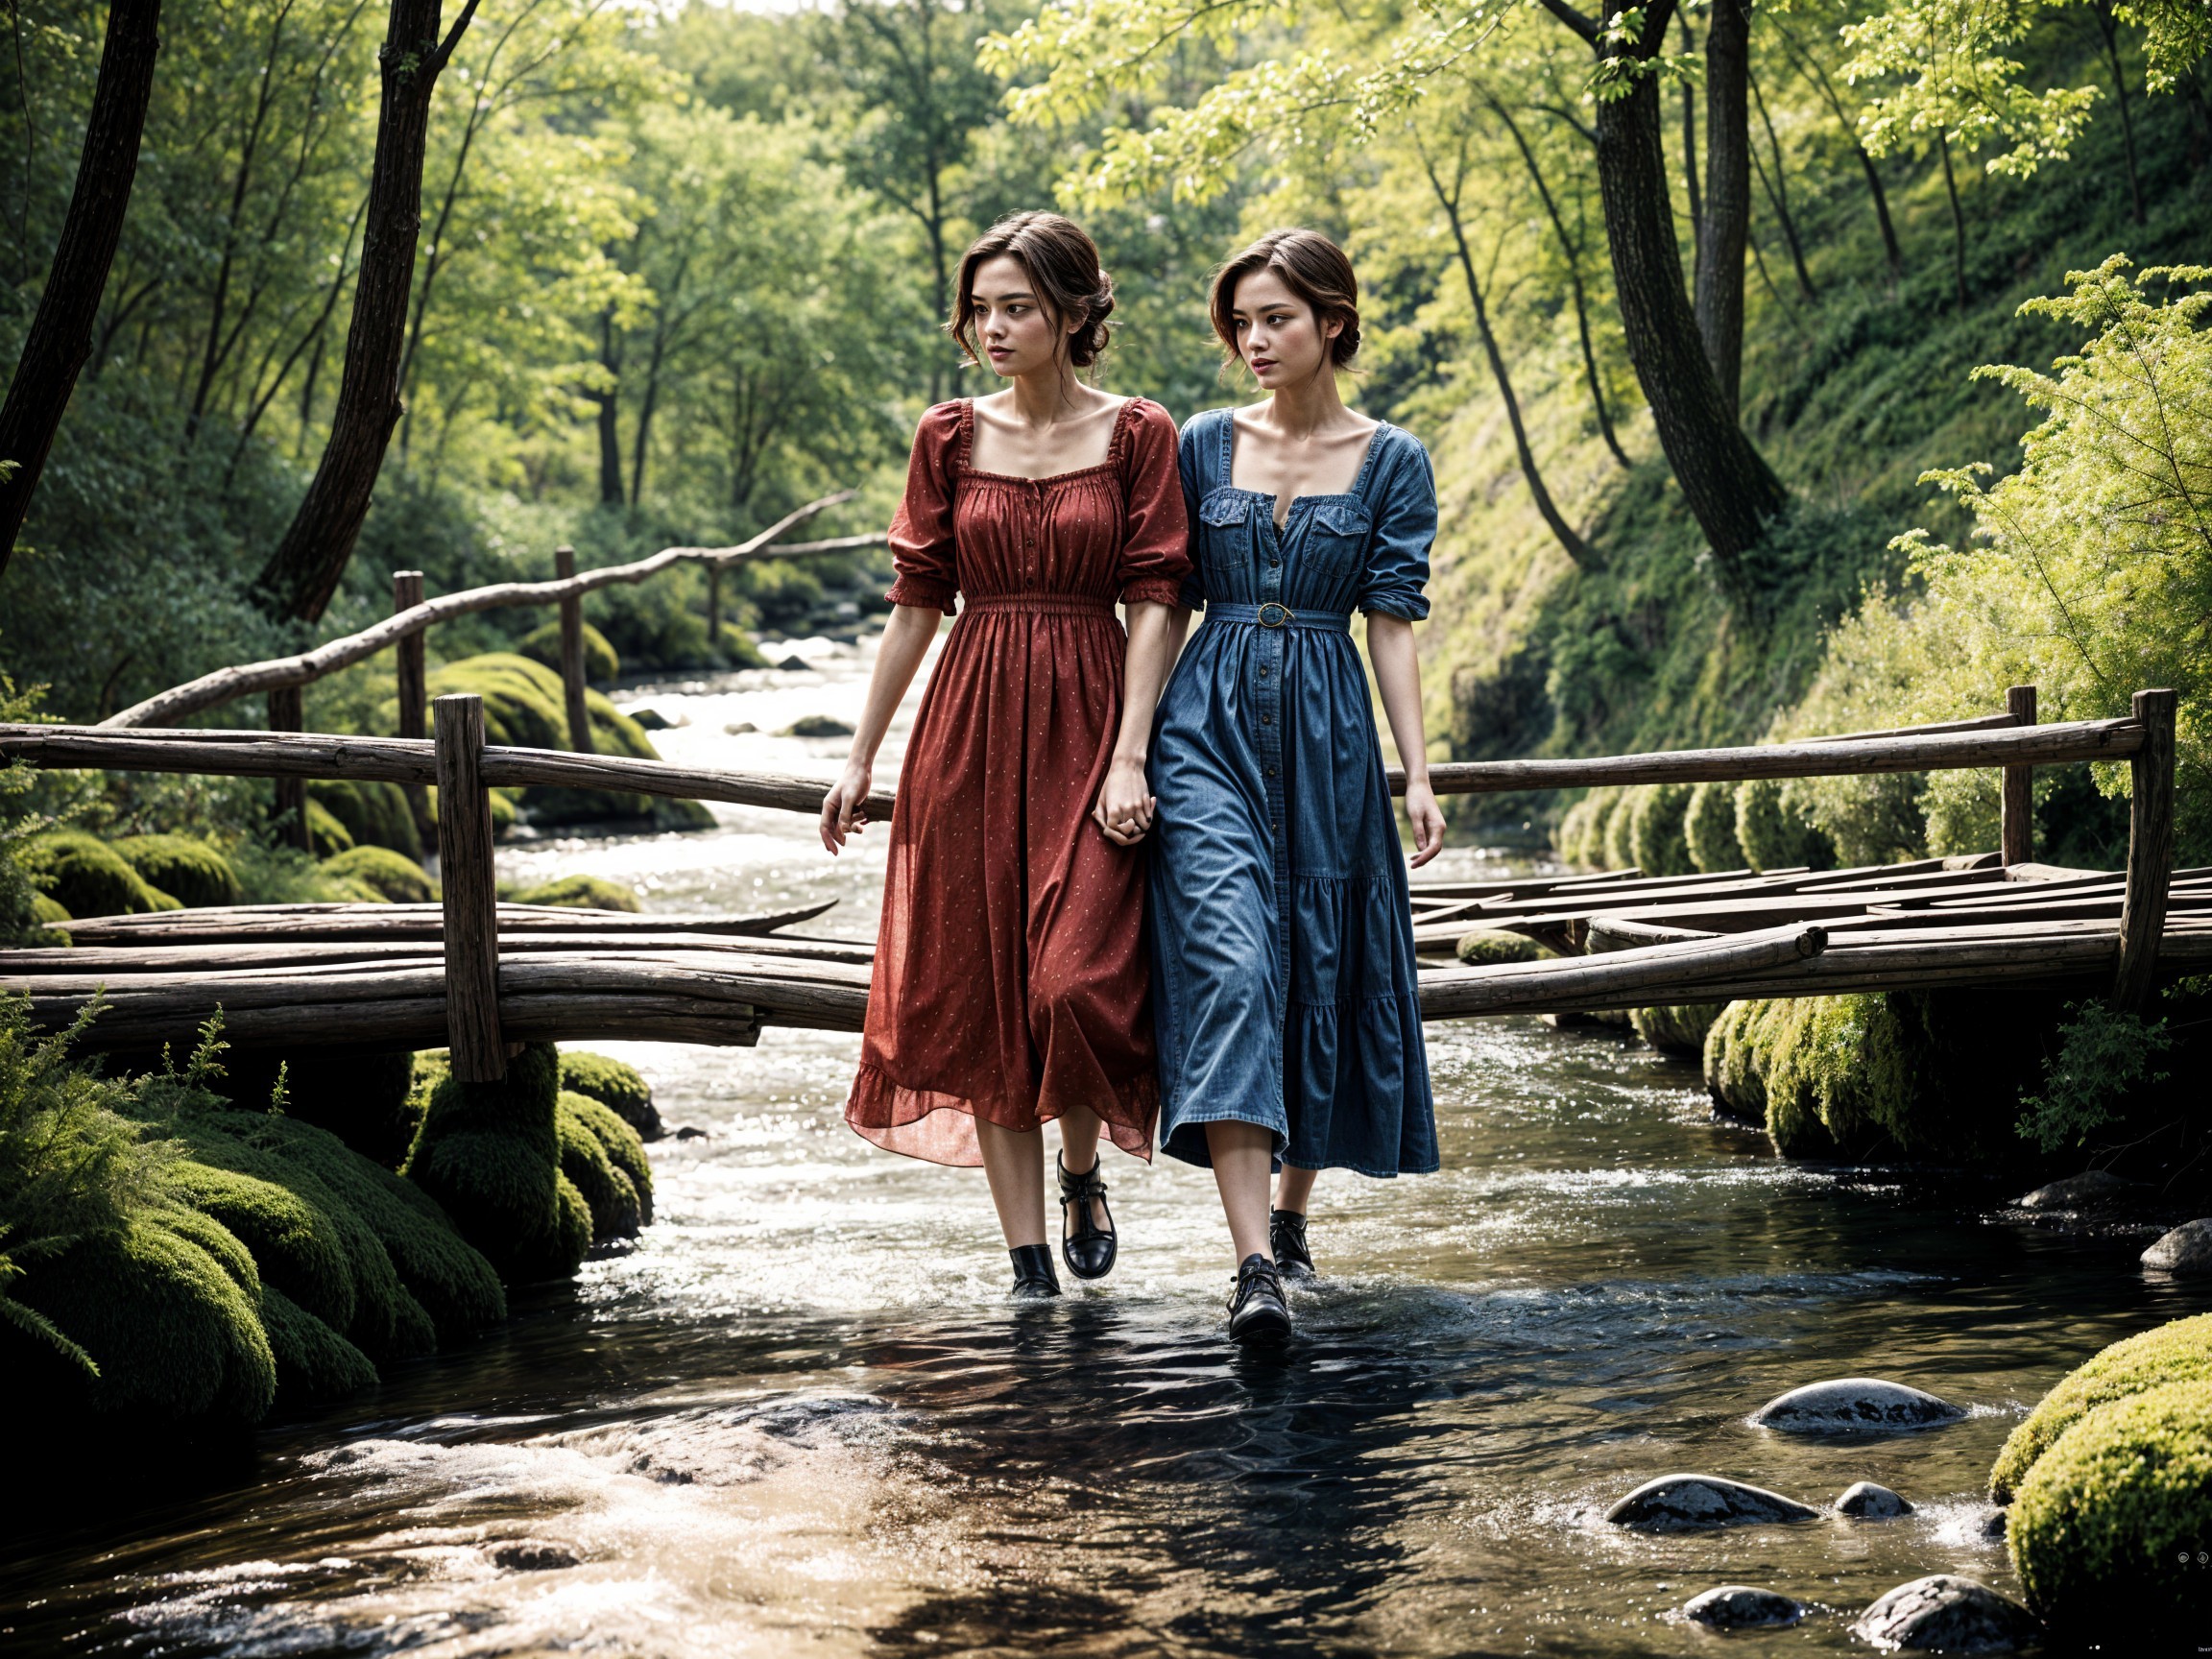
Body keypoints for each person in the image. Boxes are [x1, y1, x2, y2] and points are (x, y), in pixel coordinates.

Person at [820, 211, 1190, 1300]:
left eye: (1017, 306)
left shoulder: (1137, 434)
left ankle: (1083, 1175)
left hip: (1090, 712)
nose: (993, 326)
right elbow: (915, 604)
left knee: (1077, 983)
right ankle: (1027, 1263)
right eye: (980, 307)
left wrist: (1130, 758)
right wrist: (860, 758)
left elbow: (1158, 599)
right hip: (969, 727)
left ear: (1075, 313)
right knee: (982, 995)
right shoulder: (947, 435)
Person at [1147, 228, 1443, 1344]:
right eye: (1241, 322)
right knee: (1231, 959)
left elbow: (1394, 624)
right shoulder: (1201, 443)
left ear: (1332, 322)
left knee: (1321, 962)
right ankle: (1253, 1267)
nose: (1253, 340)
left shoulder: (1392, 458)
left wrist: (1416, 772)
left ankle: (1294, 1209)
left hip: (1328, 731)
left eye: (1276, 319)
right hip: (1206, 723)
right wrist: (1132, 748)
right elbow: (1161, 607)